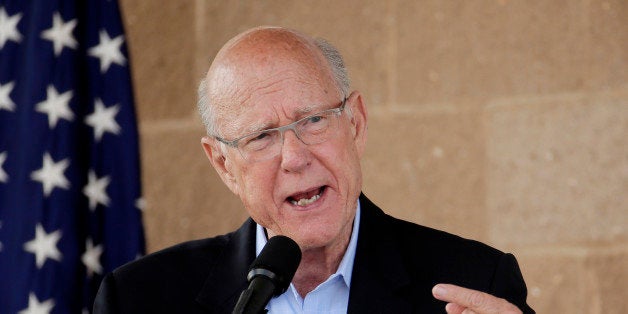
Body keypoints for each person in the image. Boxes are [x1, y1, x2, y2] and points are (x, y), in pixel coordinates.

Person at [94, 26, 535, 313]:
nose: (295, 157)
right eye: (261, 136)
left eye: (313, 120)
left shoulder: (474, 284)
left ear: (356, 124)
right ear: (224, 164)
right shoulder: (139, 299)